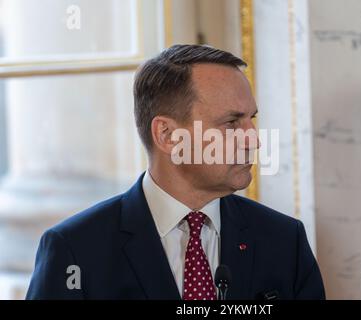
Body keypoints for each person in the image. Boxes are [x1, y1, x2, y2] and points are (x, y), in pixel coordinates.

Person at [26, 44, 325, 300]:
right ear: (167, 135)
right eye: (232, 123)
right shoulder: (75, 251)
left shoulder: (285, 242)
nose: (254, 140)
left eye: (252, 120)